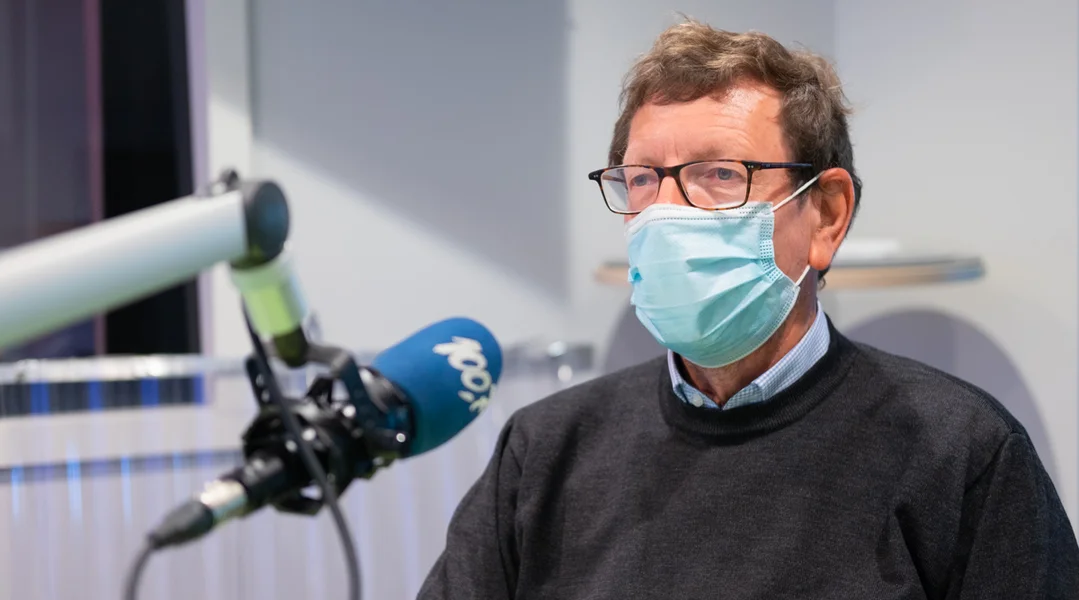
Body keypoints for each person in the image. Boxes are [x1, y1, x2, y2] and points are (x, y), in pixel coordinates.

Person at [419, 20, 1079, 599]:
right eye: (642, 178)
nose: (666, 214)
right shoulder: (545, 449)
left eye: (719, 175)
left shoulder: (961, 452)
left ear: (825, 215)